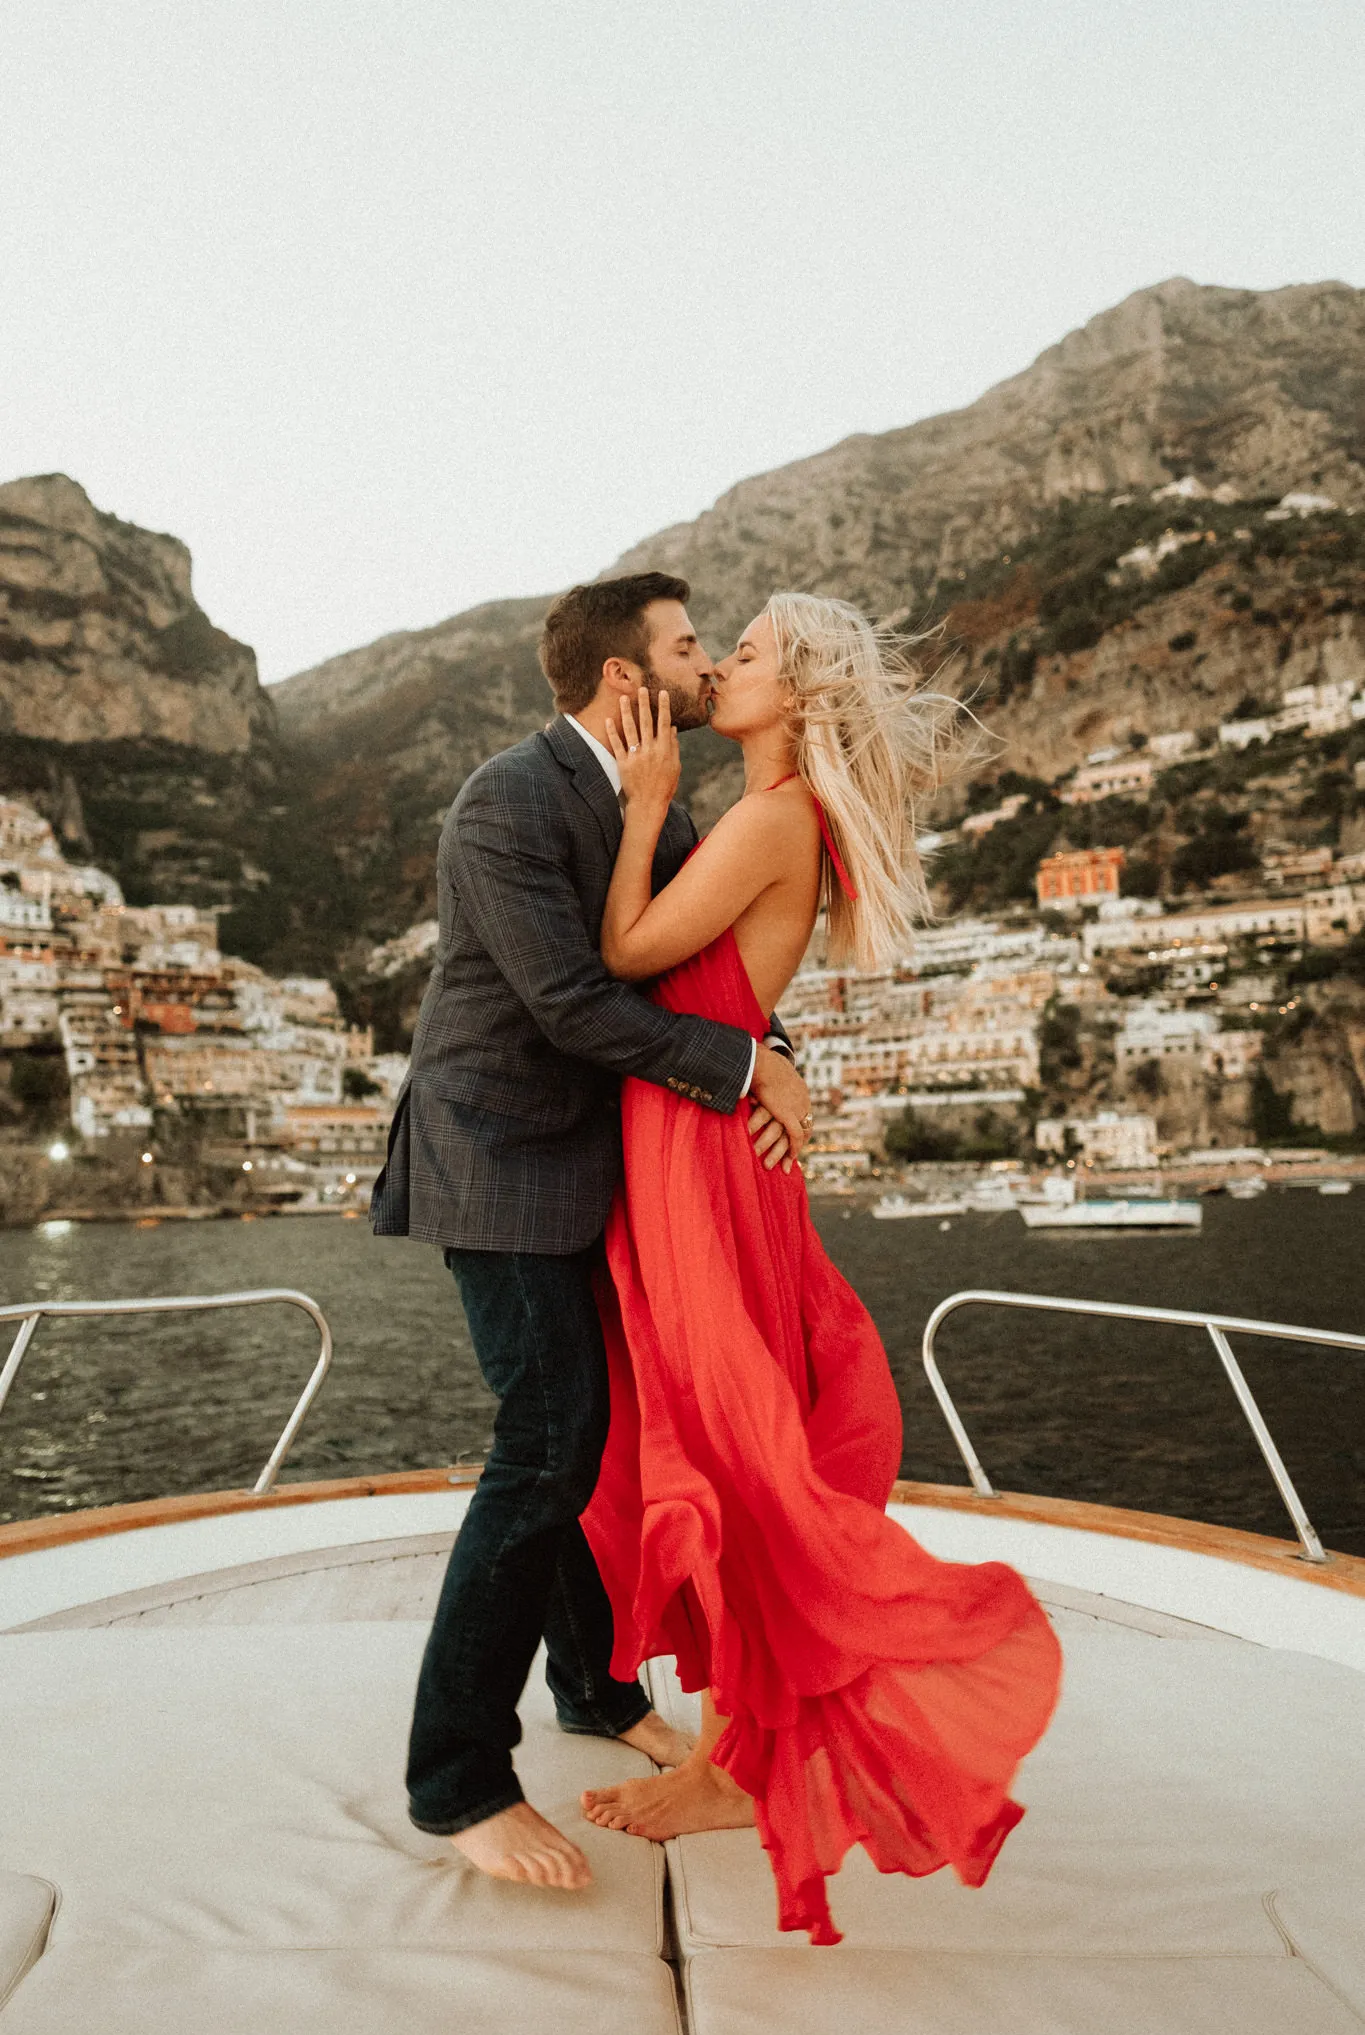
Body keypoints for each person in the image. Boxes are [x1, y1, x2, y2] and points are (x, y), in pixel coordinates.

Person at [577, 593, 1063, 1945]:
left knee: (737, 1442)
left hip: (692, 1154)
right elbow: (730, 991)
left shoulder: (770, 817)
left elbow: (626, 959)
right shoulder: (770, 819)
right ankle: (729, 1755)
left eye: (746, 653)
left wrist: (635, 808)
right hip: (701, 1138)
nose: (725, 666)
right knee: (731, 1433)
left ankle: (737, 1769)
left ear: (794, 694)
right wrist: (768, 1057)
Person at [370, 572, 813, 1892]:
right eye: (686, 649)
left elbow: (699, 966)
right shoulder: (508, 800)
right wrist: (743, 1077)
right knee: (551, 1435)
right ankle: (453, 1779)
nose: (700, 666)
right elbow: (570, 1005)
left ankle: (591, 1683)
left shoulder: (652, 804)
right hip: (494, 1157)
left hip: (600, 1165)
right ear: (629, 677)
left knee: (601, 1429)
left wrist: (775, 1048)